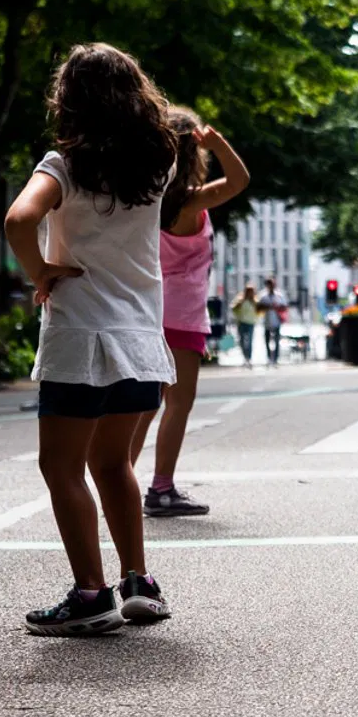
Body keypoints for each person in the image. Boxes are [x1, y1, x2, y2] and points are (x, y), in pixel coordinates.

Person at [3, 43, 178, 636]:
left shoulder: (63, 165)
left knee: (62, 466)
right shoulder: (160, 163)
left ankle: (89, 594)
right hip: (140, 337)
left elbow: (18, 219)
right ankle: (138, 581)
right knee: (114, 464)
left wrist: (40, 272)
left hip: (80, 336)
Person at [130, 106, 251, 517]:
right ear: (193, 154)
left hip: (146, 313)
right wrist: (217, 142)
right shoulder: (194, 201)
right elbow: (240, 180)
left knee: (145, 404)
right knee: (178, 403)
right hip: (182, 317)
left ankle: (120, 481)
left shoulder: (143, 199)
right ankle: (161, 488)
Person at [257, 277, 287, 368]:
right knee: (267, 341)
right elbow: (258, 308)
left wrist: (277, 307)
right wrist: (267, 307)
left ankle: (276, 359)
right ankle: (269, 358)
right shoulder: (263, 296)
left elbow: (284, 307)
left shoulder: (279, 295)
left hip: (277, 321)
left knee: (277, 341)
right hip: (266, 322)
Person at [231, 284, 260, 368]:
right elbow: (233, 308)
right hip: (241, 323)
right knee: (242, 341)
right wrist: (239, 304)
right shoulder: (240, 299)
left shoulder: (255, 301)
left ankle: (249, 358)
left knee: (250, 341)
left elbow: (259, 311)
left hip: (251, 323)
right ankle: (245, 357)